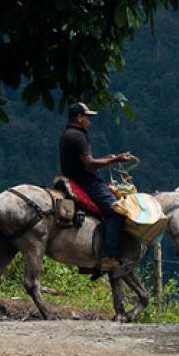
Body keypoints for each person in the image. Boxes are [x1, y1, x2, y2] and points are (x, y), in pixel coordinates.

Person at [58, 101, 135, 272]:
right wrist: (115, 160)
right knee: (118, 212)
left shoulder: (67, 135)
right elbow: (89, 164)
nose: (89, 121)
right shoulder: (78, 136)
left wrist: (108, 158)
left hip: (75, 179)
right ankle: (107, 257)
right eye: (87, 117)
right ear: (79, 118)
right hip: (87, 183)